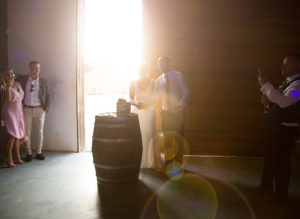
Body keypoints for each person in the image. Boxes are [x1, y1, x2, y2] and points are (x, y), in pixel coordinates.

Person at [258, 53, 300, 202]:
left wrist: (266, 85)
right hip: (277, 126)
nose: (282, 67)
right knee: (270, 157)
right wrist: (268, 104)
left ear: (297, 66)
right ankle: (266, 185)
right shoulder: (287, 82)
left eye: (286, 64)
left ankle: (282, 193)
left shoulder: (297, 85)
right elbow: (277, 102)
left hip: (285, 128)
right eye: (283, 63)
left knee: (281, 161)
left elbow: (284, 102)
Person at [129, 63, 163, 168]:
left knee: (149, 134)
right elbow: (130, 98)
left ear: (146, 70)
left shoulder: (153, 82)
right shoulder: (133, 82)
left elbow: (156, 97)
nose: (141, 71)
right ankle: (139, 160)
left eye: (143, 69)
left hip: (149, 112)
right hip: (137, 112)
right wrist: (136, 104)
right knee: (138, 135)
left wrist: (146, 104)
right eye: (140, 69)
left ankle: (151, 161)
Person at [18, 61, 49, 162]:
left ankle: (38, 152)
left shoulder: (43, 81)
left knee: (39, 132)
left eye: (38, 68)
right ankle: (28, 153)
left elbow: (48, 95)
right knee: (27, 132)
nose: (37, 70)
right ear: (29, 68)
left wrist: (46, 108)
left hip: (40, 109)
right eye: (35, 68)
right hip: (26, 109)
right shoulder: (23, 79)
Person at [1, 67, 27, 167]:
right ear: (4, 76)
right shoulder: (3, 86)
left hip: (18, 111)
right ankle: (8, 158)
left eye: (11, 73)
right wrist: (8, 86)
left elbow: (21, 98)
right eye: (8, 74)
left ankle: (17, 157)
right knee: (13, 135)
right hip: (9, 113)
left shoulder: (18, 84)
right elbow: (8, 99)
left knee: (17, 136)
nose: (10, 75)